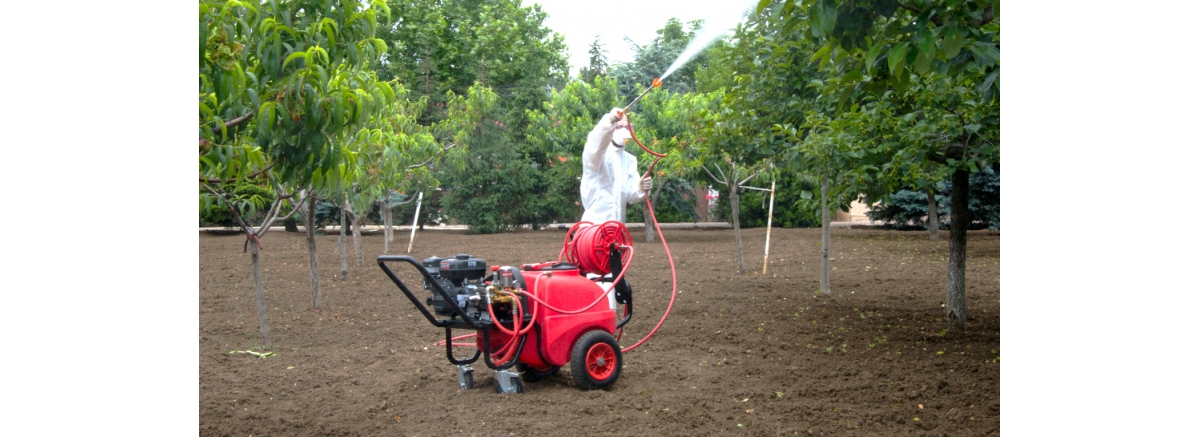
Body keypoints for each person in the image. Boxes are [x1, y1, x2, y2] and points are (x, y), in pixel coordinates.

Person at [580, 108, 653, 224]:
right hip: (593, 227)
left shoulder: (629, 160)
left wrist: (640, 187)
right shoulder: (598, 156)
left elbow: (631, 195)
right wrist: (607, 122)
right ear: (612, 129)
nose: (624, 130)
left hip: (617, 229)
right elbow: (594, 145)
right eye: (619, 126)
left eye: (627, 127)